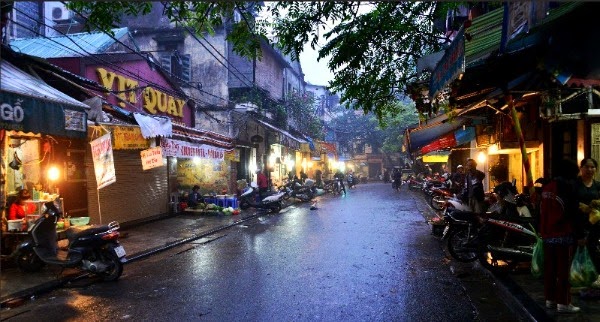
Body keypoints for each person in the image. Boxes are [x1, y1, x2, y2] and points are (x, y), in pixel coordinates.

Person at [540, 158, 585, 313]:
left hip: (547, 235)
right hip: (563, 235)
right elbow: (572, 213)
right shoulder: (567, 188)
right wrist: (580, 235)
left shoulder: (547, 188)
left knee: (550, 270)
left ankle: (550, 300)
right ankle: (564, 303)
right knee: (563, 271)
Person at [574, 158, 600, 288]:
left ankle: (592, 276)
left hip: (594, 223)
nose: (590, 170)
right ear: (581, 168)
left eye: (592, 167)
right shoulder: (575, 184)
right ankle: (576, 276)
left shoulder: (597, 185)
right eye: (587, 167)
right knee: (577, 249)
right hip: (578, 222)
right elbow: (570, 202)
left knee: (592, 248)